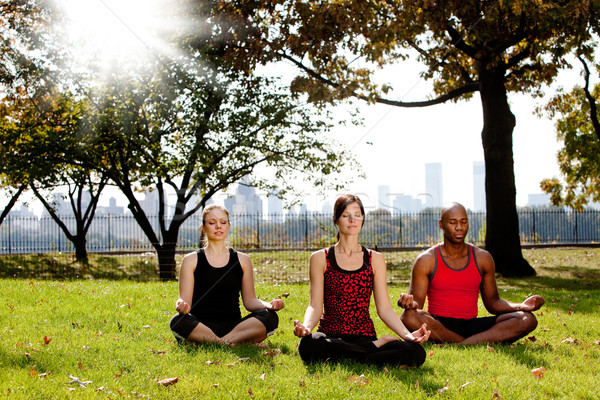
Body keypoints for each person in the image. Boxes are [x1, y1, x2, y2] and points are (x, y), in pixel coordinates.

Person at [293, 194, 430, 367]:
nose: (352, 220)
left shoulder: (375, 259)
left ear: (363, 219)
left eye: (357, 214)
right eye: (345, 215)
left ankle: (355, 353)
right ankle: (374, 349)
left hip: (363, 335)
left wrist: (407, 335)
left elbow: (385, 308)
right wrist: (306, 328)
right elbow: (315, 306)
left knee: (416, 352)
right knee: (308, 345)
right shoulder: (320, 258)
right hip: (330, 334)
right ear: (336, 220)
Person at [398, 202, 545, 345]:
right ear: (441, 225)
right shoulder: (426, 260)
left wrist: (521, 306)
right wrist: (408, 302)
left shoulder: (483, 258)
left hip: (473, 325)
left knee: (527, 319)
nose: (459, 227)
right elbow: (416, 303)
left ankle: (461, 344)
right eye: (452, 222)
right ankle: (471, 342)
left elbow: (493, 303)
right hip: (439, 324)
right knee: (408, 316)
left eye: (463, 222)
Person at [170, 204, 284, 346]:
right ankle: (232, 343)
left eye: (223, 222)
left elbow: (250, 301)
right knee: (178, 320)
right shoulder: (190, 260)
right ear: (203, 228)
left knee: (270, 317)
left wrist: (269, 305)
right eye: (212, 223)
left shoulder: (243, 260)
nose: (218, 226)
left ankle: (217, 343)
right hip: (201, 326)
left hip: (235, 326)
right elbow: (184, 300)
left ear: (228, 226)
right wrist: (180, 305)